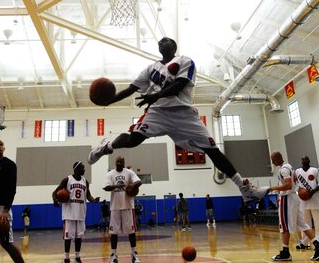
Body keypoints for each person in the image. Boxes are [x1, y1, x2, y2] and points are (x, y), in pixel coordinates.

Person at [88, 37, 269, 204]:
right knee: (134, 139)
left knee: (213, 151)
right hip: (158, 112)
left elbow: (179, 85)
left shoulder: (185, 61)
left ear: (174, 46)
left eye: (166, 41)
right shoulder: (151, 69)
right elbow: (130, 89)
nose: (161, 42)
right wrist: (108, 101)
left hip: (185, 114)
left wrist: (155, 95)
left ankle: (244, 188)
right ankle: (106, 146)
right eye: (159, 42)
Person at [268, 151, 319, 261]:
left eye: (273, 159)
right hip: (294, 198)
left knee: (284, 226)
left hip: (287, 199)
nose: (272, 162)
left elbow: (288, 185)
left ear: (277, 158)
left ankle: (285, 252)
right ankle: (318, 247)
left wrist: (274, 188)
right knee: (303, 225)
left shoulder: (284, 169)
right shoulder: (289, 166)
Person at [55, 161, 99, 263]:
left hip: (80, 213)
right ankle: (66, 260)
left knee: (79, 237)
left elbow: (88, 194)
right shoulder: (67, 179)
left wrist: (93, 200)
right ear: (76, 168)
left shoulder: (85, 181)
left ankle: (77, 258)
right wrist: (55, 199)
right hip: (69, 213)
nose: (84, 170)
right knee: (68, 237)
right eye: (82, 168)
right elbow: (55, 192)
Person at [104, 156, 142, 263]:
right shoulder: (110, 174)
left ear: (124, 163)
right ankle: (113, 256)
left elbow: (139, 181)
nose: (119, 163)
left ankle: (134, 254)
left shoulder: (129, 172)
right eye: (118, 161)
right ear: (115, 163)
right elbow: (106, 187)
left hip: (128, 206)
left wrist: (131, 185)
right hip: (115, 207)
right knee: (113, 233)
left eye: (121, 162)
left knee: (131, 232)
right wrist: (117, 185)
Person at [295, 155, 319, 254]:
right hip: (303, 201)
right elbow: (295, 185)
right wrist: (300, 191)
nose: (304, 160)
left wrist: (312, 192)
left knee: (318, 223)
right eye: (302, 158)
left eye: (306, 158)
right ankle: (304, 242)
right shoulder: (297, 172)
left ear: (309, 160)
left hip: (315, 199)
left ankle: (318, 242)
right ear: (301, 161)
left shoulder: (315, 170)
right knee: (305, 223)